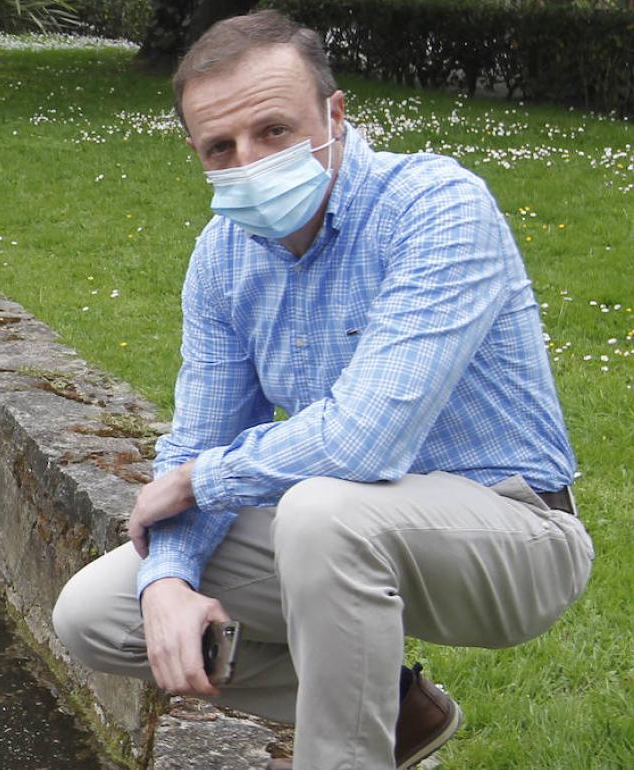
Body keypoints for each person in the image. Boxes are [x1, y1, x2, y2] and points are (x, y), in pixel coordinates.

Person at [51, 10, 594, 770]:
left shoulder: (436, 206)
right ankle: (393, 712)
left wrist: (200, 478)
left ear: (335, 116)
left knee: (320, 508)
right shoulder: (222, 257)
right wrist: (168, 578)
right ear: (196, 156)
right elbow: (200, 438)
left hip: (514, 533)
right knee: (100, 613)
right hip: (342, 533)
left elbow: (364, 439)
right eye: (220, 147)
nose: (248, 162)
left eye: (274, 130)